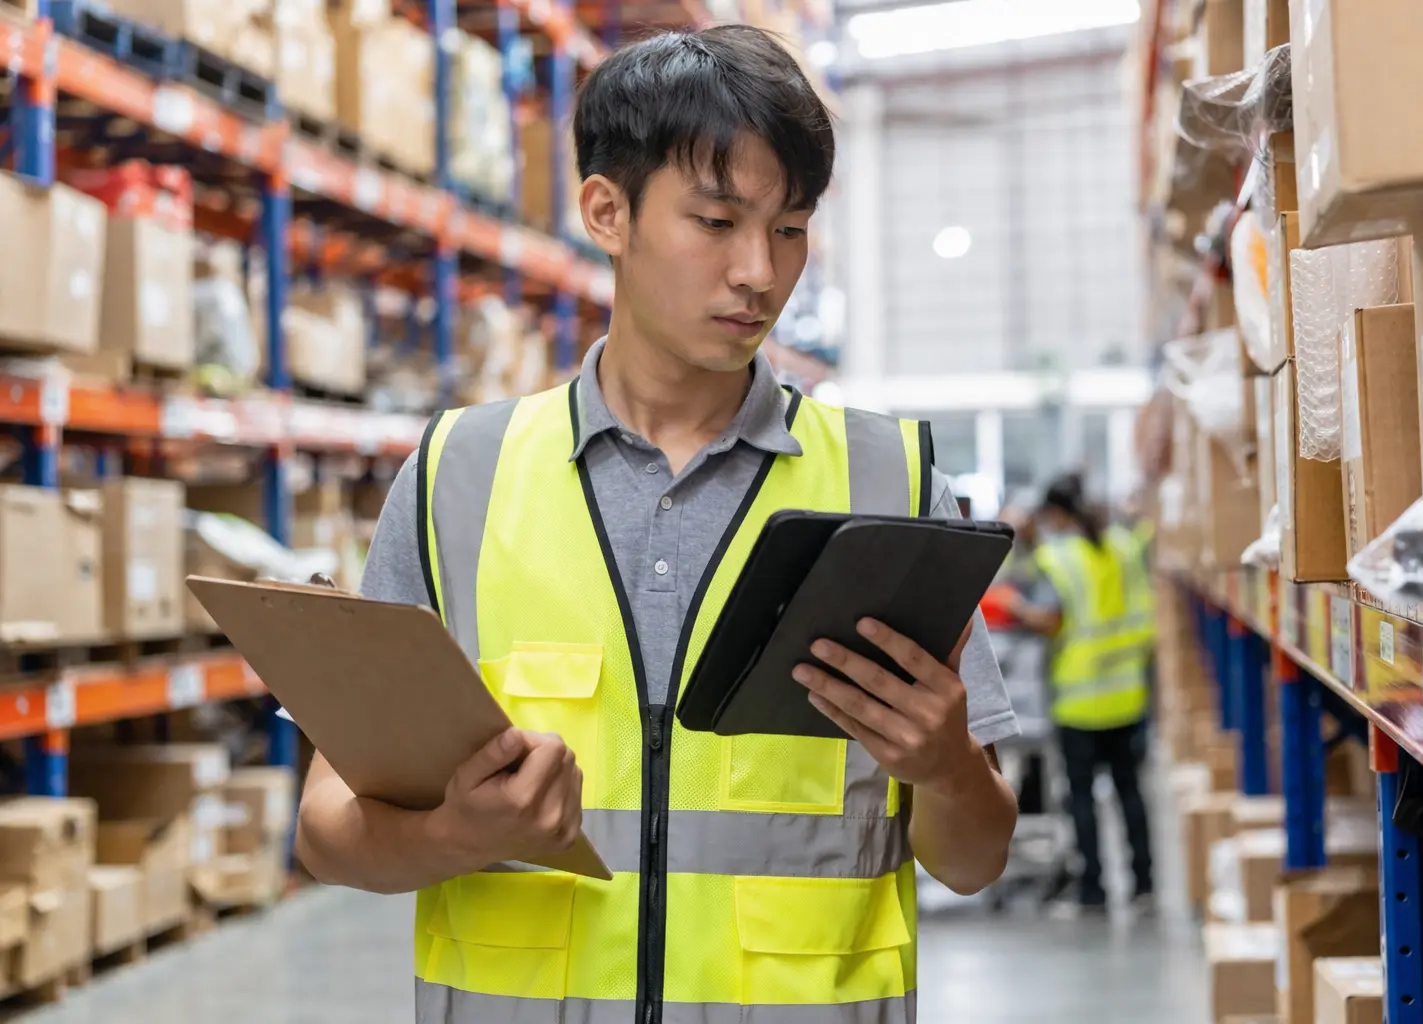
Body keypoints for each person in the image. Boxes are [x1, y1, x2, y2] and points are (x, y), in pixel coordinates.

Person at [294, 25, 1021, 1024]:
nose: (759, 273)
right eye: (717, 221)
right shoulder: (458, 478)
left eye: (791, 227)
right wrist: (455, 835)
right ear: (608, 211)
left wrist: (944, 767)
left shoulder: (887, 482)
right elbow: (328, 826)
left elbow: (976, 859)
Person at [1004, 474, 1155, 913]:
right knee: (1130, 792)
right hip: (1127, 692)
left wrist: (1015, 607)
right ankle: (1145, 885)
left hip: (1080, 699)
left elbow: (1050, 620)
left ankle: (1094, 890)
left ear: (1055, 515)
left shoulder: (1057, 557)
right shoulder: (1123, 546)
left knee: (1082, 797)